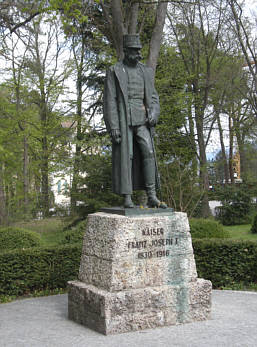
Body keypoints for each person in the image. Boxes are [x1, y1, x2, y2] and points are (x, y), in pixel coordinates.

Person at [103, 34, 166, 209]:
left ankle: (152, 195)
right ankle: (127, 196)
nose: (138, 54)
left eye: (139, 51)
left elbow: (153, 98)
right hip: (123, 119)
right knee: (127, 156)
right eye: (134, 51)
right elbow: (109, 101)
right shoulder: (114, 71)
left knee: (149, 153)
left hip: (142, 119)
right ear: (126, 51)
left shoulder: (146, 72)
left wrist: (154, 112)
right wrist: (113, 126)